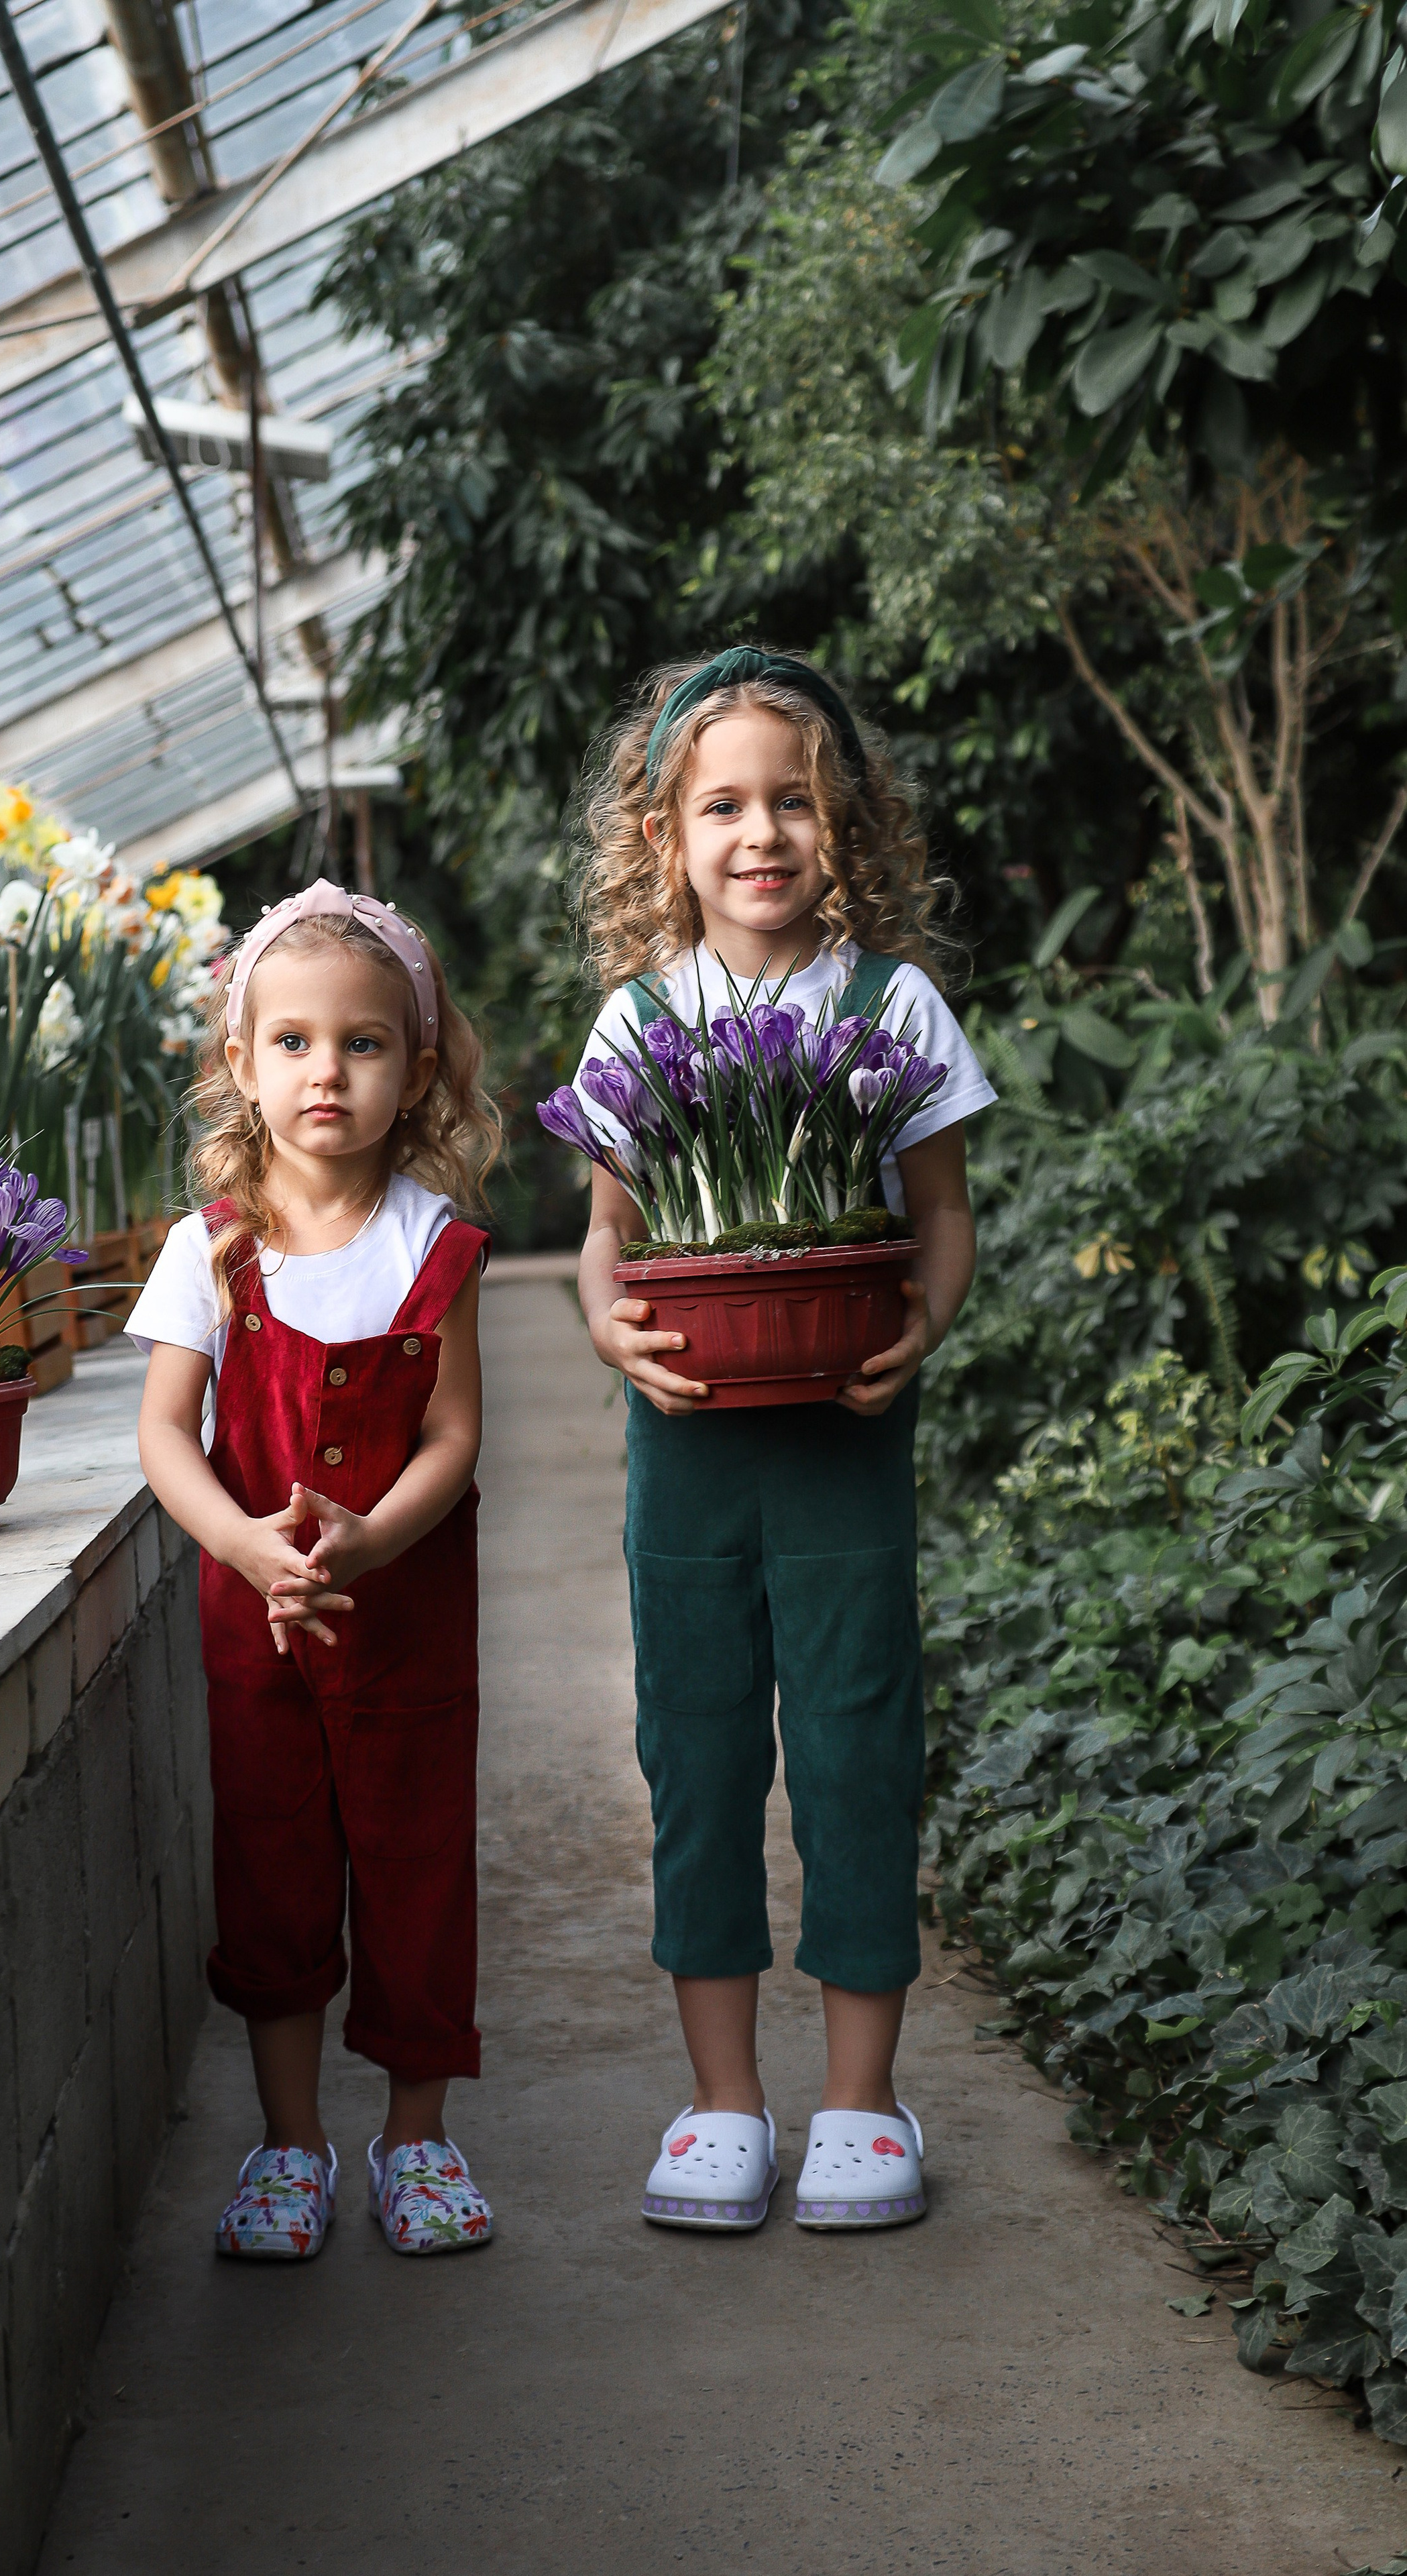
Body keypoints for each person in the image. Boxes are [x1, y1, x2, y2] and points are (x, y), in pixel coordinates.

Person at [573, 646, 996, 2233]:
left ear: (846, 829)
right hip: (683, 1440)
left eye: (795, 803)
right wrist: (610, 1331)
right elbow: (608, 1239)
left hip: (842, 1435)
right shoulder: (639, 1017)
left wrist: (920, 1326)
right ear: (667, 839)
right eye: (723, 805)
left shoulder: (894, 1005)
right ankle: (722, 2105)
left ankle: (859, 2106)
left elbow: (942, 1218)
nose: (761, 833)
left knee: (853, 1752)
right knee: (694, 1757)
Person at [131, 877, 502, 2262]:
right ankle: (291, 2145)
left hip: (406, 1629)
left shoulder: (434, 1247)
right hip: (259, 1643)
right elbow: (168, 1433)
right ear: (239, 1061)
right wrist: (240, 1541)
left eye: (361, 1042)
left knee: (416, 1871)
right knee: (274, 1876)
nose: (323, 1071)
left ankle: (417, 2136)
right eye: (289, 1041)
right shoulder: (208, 1250)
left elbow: (454, 1436)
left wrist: (366, 1539)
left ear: (414, 1069)